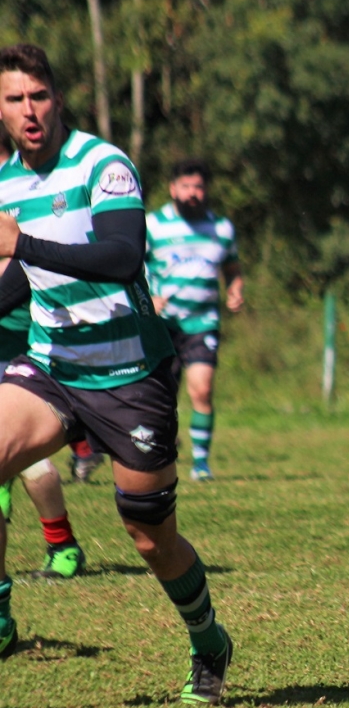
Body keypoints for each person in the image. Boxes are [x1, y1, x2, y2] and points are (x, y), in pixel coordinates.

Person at [0, 44, 233, 704]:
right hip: (50, 364)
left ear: (58, 97)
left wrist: (23, 244)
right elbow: (23, 276)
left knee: (148, 534)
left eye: (38, 96)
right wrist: (17, 263)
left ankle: (207, 639)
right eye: (15, 99)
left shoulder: (103, 166)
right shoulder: (7, 184)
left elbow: (123, 257)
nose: (29, 111)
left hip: (131, 372)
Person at [0, 134, 87, 579]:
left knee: (29, 459)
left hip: (17, 344)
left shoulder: (18, 195)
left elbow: (22, 272)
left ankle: (63, 546)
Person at [145, 158, 243, 482]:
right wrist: (148, 297)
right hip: (165, 323)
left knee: (202, 389)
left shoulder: (221, 228)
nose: (192, 193)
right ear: (173, 189)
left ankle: (201, 464)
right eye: (185, 186)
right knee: (163, 396)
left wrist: (235, 290)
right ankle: (165, 450)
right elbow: (130, 266)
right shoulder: (154, 225)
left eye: (198, 186)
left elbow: (232, 268)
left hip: (203, 322)